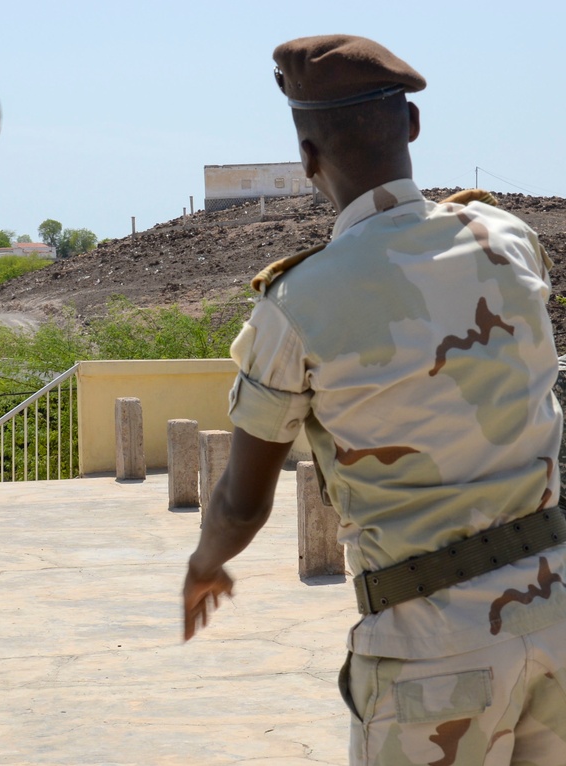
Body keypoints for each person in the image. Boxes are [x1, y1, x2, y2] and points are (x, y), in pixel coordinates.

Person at [183, 35, 566, 764]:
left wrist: (206, 563)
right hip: (556, 615)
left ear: (307, 156)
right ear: (412, 127)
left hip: (432, 647)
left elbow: (243, 500)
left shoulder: (296, 304)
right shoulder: (510, 239)